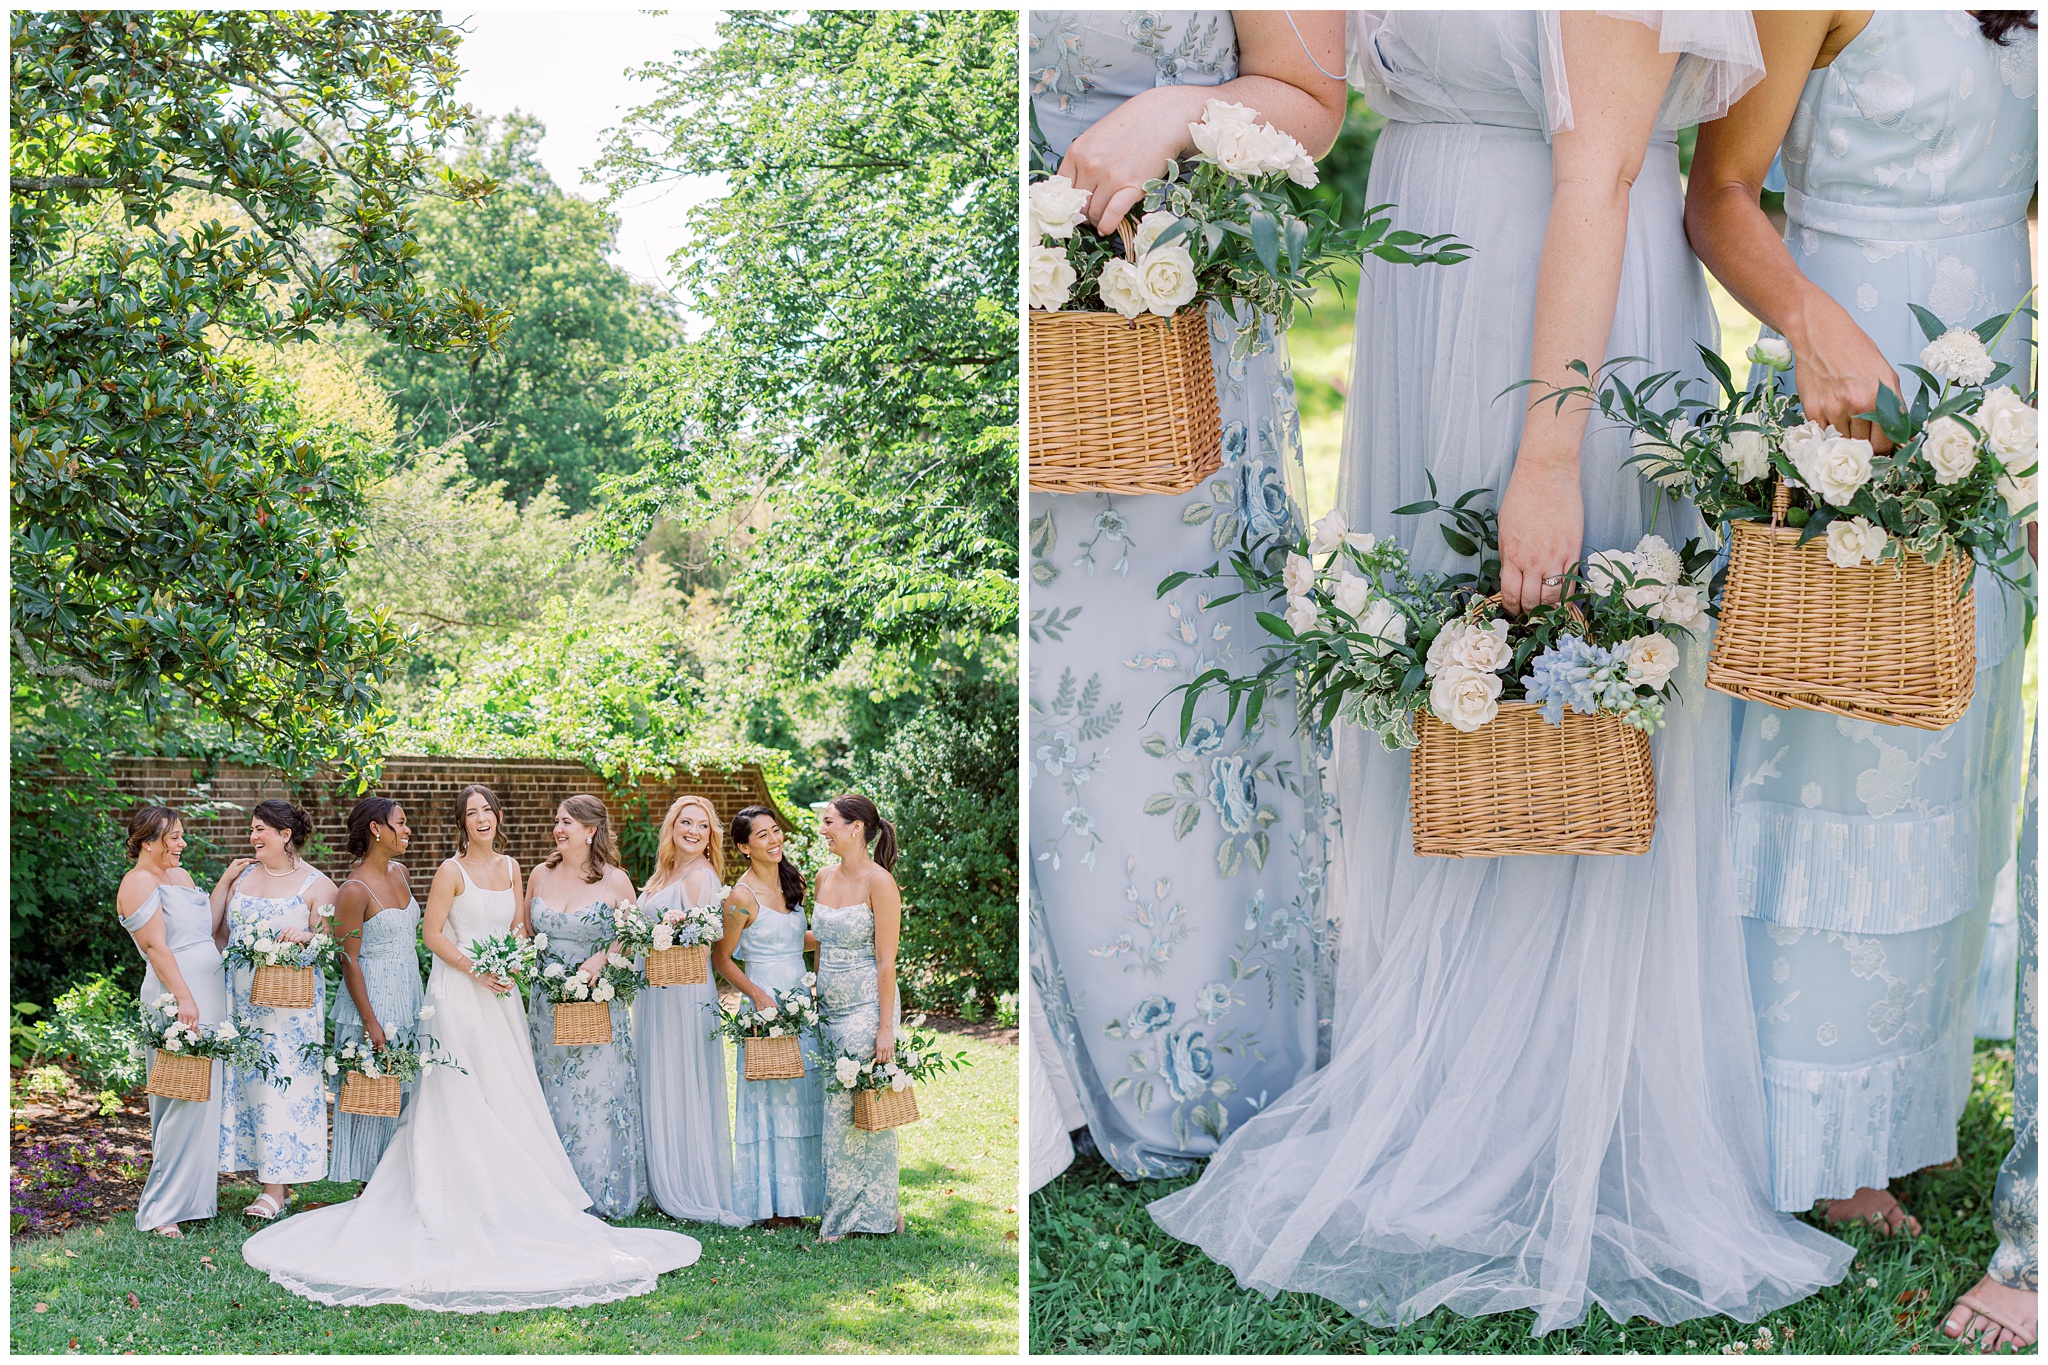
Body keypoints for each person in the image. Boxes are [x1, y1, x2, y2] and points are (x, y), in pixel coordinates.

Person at [1149, 12, 1854, 1333]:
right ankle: (1431, 1079)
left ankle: (1556, 1112)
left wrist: (1547, 461)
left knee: (1562, 694)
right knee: (1446, 700)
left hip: (1564, 311)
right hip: (1436, 294)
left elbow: (1601, 172)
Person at [1685, 9, 2036, 1235]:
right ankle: (1810, 1129)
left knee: (1954, 732)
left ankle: (1901, 1103)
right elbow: (1718, 193)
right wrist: (1812, 323)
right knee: (1844, 752)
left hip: (1994, 395)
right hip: (1851, 383)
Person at [1026, 6, 1344, 1183]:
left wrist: (1169, 114)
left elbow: (1311, 100)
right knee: (1048, 693)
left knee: (1165, 695)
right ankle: (1044, 1074)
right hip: (1019, 333)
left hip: (1169, 326)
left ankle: (1196, 1055)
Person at [241, 783, 700, 1312]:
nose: (481, 819)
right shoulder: (447, 871)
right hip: (458, 992)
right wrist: (475, 968)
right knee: (458, 1095)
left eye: (487, 811)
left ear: (498, 818)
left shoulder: (512, 869)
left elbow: (519, 927)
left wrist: (513, 960)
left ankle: (517, 1195)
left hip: (501, 996)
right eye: (471, 813)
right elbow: (433, 935)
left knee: (507, 1088)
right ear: (462, 823)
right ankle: (454, 1195)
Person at [525, 794, 650, 1219]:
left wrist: (604, 956)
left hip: (597, 1003)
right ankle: (552, 1191)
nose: (559, 829)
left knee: (596, 1096)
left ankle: (600, 1192)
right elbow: (524, 933)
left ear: (591, 830)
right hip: (547, 1007)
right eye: (557, 821)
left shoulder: (614, 880)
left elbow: (633, 934)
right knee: (550, 1094)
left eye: (568, 823)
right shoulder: (540, 875)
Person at [217, 798, 336, 1223]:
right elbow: (218, 931)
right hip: (242, 1003)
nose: (253, 837)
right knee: (250, 1089)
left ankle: (275, 1189)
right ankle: (270, 1181)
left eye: (260, 830)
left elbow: (327, 945)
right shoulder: (243, 875)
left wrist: (304, 938)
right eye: (252, 829)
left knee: (280, 1088)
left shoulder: (318, 886)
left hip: (289, 1009)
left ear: (286, 836)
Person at [118, 806, 234, 1236]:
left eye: (182, 836)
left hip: (207, 996)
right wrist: (185, 999)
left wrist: (226, 881)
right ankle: (161, 1210)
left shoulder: (181, 878)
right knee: (177, 1102)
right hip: (176, 998)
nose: (182, 844)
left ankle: (194, 1201)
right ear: (148, 841)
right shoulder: (137, 883)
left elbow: (205, 928)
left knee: (201, 1100)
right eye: (174, 838)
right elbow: (156, 947)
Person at [635, 795, 746, 1226]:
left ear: (710, 835)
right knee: (657, 1073)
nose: (694, 831)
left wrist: (674, 929)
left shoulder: (702, 876)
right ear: (673, 826)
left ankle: (686, 1180)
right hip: (654, 989)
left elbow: (705, 942)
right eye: (686, 822)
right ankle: (658, 1172)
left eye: (702, 825)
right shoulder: (664, 873)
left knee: (681, 1076)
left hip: (683, 991)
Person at [716, 805, 824, 1225]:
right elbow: (723, 959)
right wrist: (759, 997)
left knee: (803, 1095)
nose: (774, 840)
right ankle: (772, 1206)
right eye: (762, 835)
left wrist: (845, 932)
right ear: (744, 847)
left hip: (800, 1001)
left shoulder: (791, 880)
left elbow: (798, 939)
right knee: (771, 1099)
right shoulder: (741, 898)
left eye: (775, 831)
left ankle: (803, 1200)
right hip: (765, 1006)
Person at [814, 794, 905, 1240]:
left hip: (867, 1007)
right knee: (836, 1110)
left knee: (857, 1111)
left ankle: (864, 1216)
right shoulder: (822, 878)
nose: (822, 829)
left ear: (856, 828)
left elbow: (887, 961)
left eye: (829, 822)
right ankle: (860, 1211)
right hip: (828, 1008)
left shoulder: (880, 883)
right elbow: (821, 941)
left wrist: (885, 1028)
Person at [326, 795, 425, 1183]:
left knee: (403, 1093)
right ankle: (368, 1188)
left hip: (409, 992)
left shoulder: (402, 874)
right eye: (400, 823)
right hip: (373, 999)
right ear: (376, 829)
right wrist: (371, 1023)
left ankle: (396, 1184)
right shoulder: (352, 890)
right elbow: (348, 960)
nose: (406, 829)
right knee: (372, 1095)